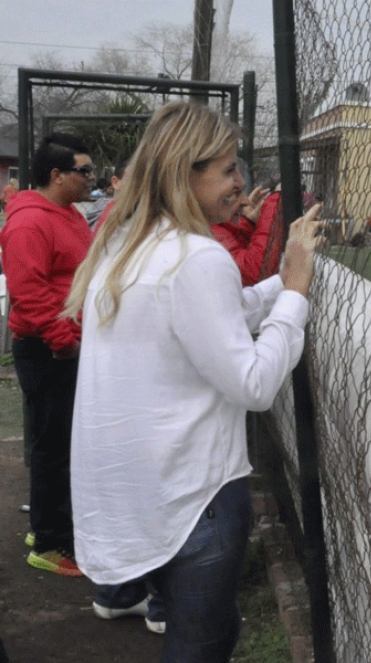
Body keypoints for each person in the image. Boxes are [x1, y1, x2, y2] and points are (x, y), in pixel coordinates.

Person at [66, 101, 322, 662]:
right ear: (187, 173)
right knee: (203, 646)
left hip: (140, 492)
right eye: (228, 169)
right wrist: (297, 292)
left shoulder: (125, 243)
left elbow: (210, 320)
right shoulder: (197, 257)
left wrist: (278, 282)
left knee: (200, 636)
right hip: (192, 498)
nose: (240, 183)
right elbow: (253, 384)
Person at [0, 134, 95, 576]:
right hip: (47, 350)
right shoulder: (28, 223)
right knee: (52, 445)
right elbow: (28, 294)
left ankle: (47, 526)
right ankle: (51, 544)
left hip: (63, 345)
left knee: (57, 441)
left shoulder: (68, 213)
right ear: (57, 176)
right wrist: (64, 340)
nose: (91, 178)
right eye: (84, 171)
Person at [210, 175, 284, 287]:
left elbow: (234, 248)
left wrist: (249, 223)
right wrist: (275, 203)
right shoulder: (207, 233)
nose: (246, 201)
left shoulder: (210, 227)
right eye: (234, 193)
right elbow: (256, 273)